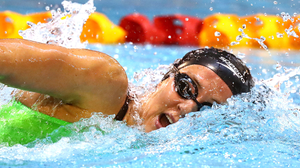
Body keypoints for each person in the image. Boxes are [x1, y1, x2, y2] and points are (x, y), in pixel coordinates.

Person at [0, 38, 254, 136]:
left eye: (207, 110)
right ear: (166, 76)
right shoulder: (103, 84)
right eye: (186, 88)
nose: (188, 108)